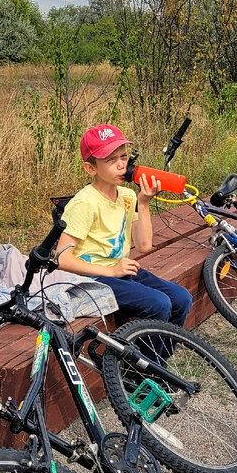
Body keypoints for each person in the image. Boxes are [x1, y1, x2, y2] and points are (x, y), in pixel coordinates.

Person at [56, 124, 193, 326]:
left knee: (182, 298)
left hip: (121, 271)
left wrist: (144, 202)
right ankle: (143, 356)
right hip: (92, 279)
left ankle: (153, 356)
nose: (121, 165)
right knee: (160, 304)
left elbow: (144, 245)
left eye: (123, 156)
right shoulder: (84, 202)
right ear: (90, 168)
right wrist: (111, 271)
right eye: (111, 160)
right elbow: (61, 258)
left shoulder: (128, 196)